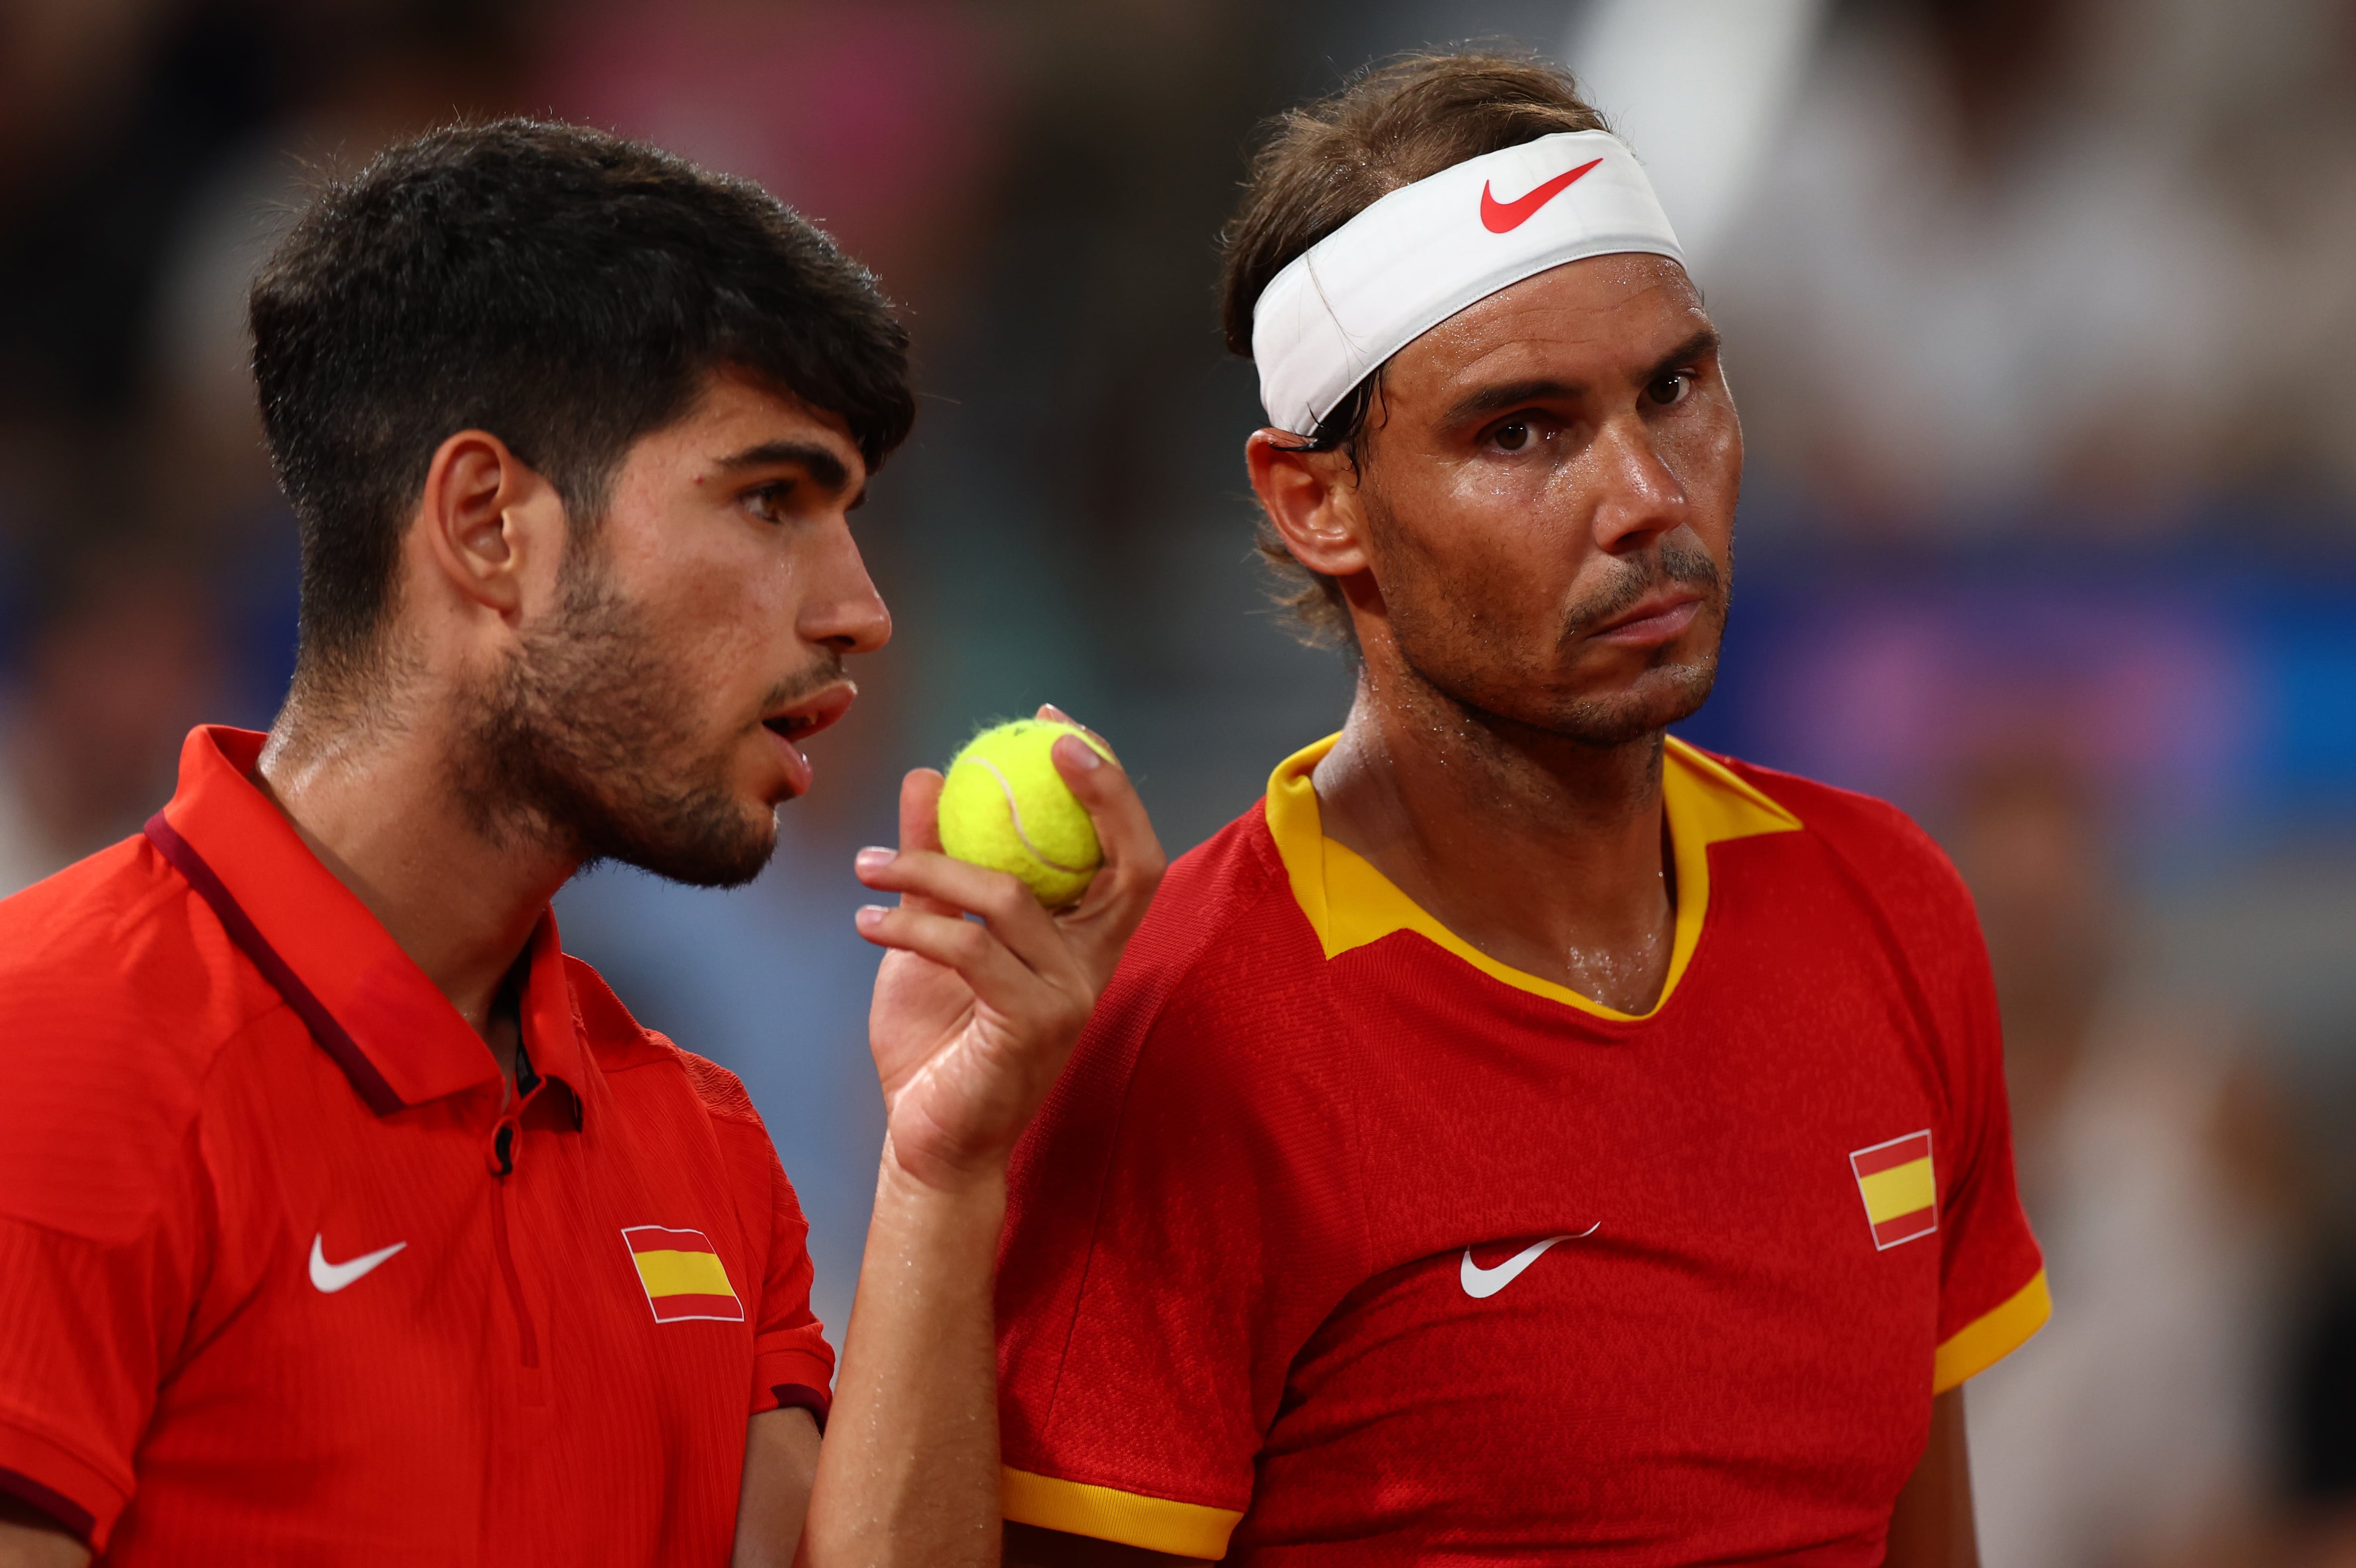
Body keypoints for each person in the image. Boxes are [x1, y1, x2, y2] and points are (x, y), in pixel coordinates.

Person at [0, 120, 1162, 1567]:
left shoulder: (706, 1145)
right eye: (769, 500)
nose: (861, 608)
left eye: (845, 517)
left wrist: (939, 1169)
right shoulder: (45, 1057)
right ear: (490, 523)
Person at [989, 55, 2048, 1564]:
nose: (1647, 496)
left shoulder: (1892, 904)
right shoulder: (1185, 1034)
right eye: (1522, 430)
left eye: (1676, 388)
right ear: (1317, 503)